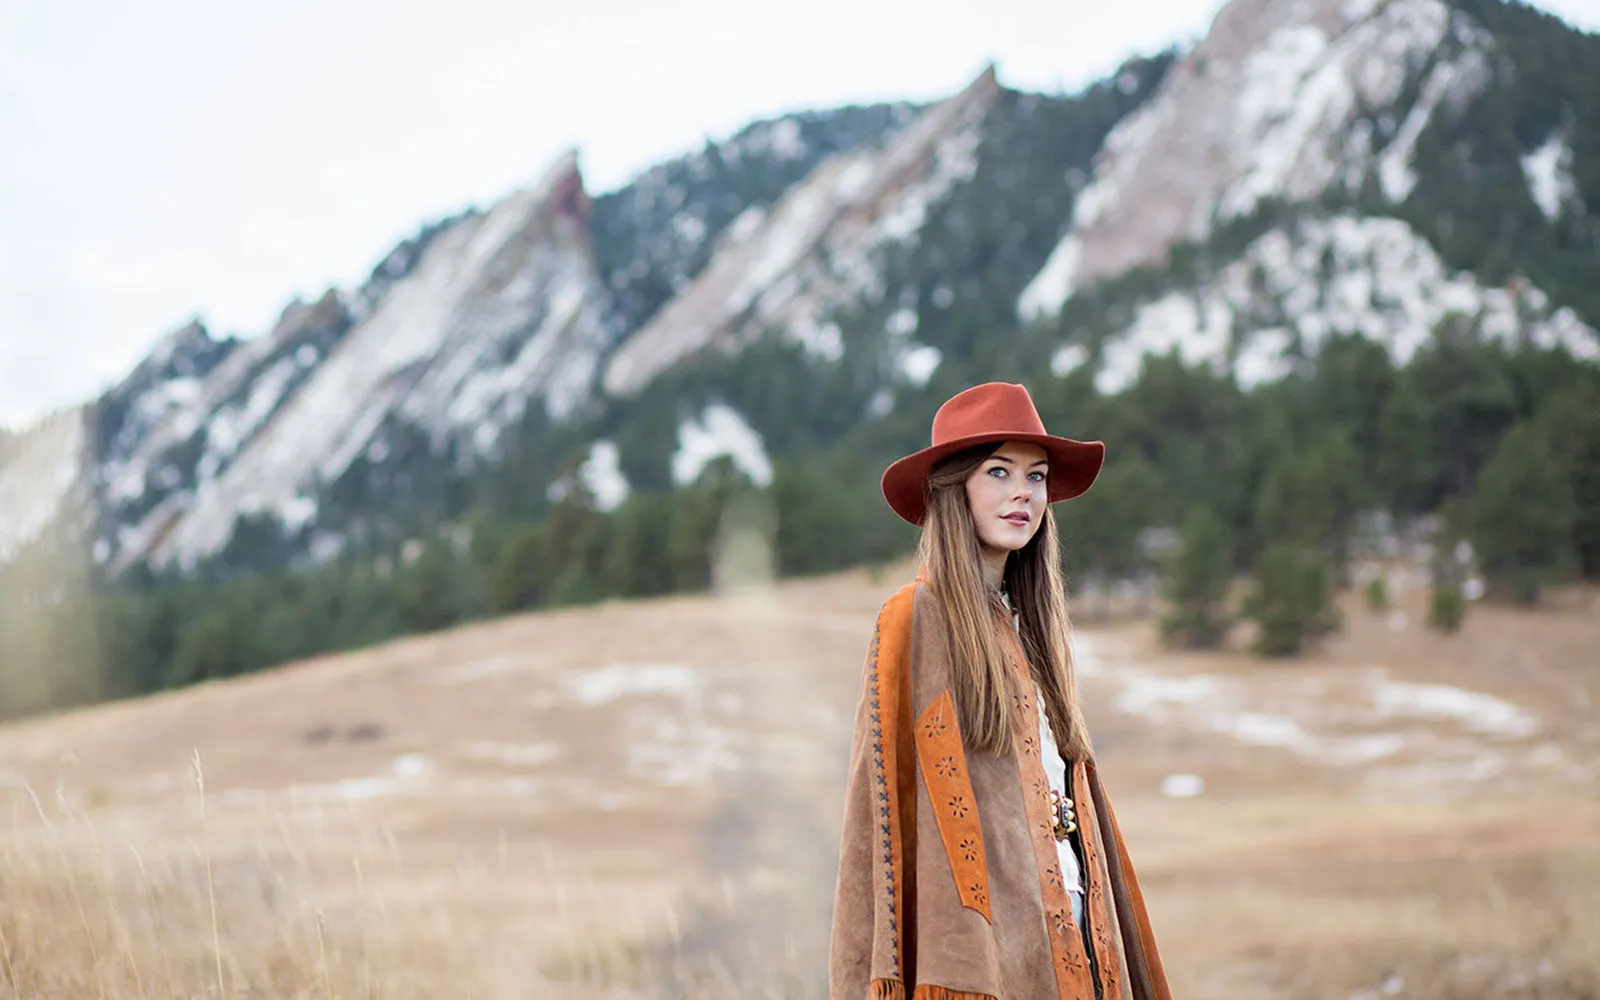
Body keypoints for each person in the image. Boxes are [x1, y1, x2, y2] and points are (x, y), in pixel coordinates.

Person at [829, 382, 1170, 1000]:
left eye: (1036, 476)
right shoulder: (917, 619)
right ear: (953, 489)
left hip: (1082, 950)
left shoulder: (1034, 629)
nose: (1024, 493)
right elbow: (880, 817)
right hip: (993, 963)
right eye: (998, 472)